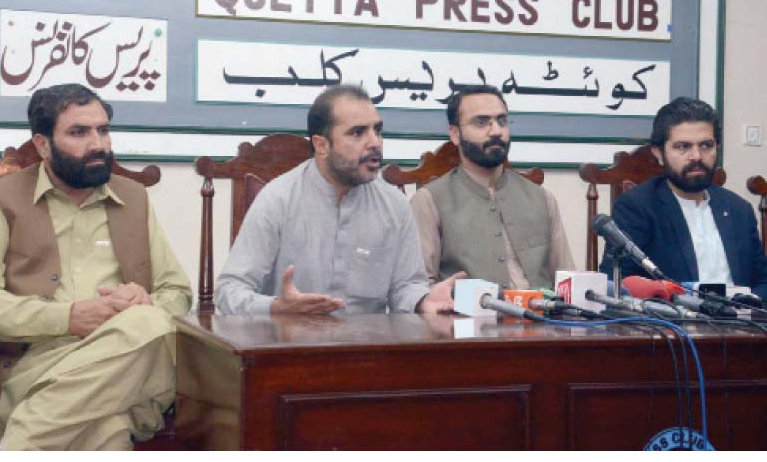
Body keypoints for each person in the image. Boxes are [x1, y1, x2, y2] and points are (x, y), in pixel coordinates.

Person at [0, 84, 192, 450]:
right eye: (79, 132)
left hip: (125, 353)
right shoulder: (1, 200)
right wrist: (66, 318)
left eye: (103, 130)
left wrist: (145, 302)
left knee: (149, 322)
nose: (98, 144)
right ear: (42, 145)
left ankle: (13, 447)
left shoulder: (134, 199)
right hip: (33, 366)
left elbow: (178, 293)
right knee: (108, 425)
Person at [214, 84, 464, 316]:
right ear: (321, 145)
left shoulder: (394, 204)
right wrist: (276, 307)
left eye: (377, 130)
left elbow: (405, 287)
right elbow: (229, 291)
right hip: (289, 350)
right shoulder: (278, 199)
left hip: (367, 352)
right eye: (358, 133)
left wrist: (423, 300)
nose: (374, 142)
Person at [599, 97, 767, 299]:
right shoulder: (638, 207)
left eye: (706, 145)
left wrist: (749, 304)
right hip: (675, 324)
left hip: (744, 323)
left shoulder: (739, 209)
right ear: (659, 153)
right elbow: (617, 284)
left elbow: (762, 281)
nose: (696, 156)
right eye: (682, 146)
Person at [410, 85, 574, 287]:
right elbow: (420, 288)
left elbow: (567, 281)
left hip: (544, 316)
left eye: (502, 121)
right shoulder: (430, 200)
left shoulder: (542, 198)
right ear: (455, 134)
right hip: (466, 317)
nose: (496, 131)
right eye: (481, 122)